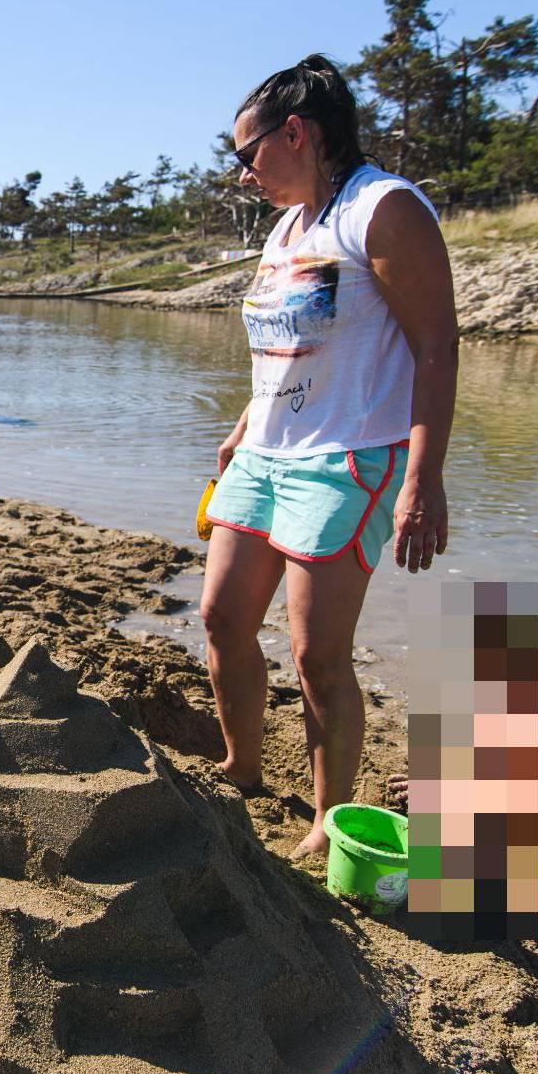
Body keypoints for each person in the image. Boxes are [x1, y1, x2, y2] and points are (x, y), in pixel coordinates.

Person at [199, 54, 457, 858]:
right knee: (222, 620)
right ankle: (242, 768)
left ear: (298, 132)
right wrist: (248, 420)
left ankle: (326, 820)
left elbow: (437, 347)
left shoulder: (383, 209)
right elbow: (295, 344)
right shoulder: (289, 226)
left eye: (249, 154)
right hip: (265, 454)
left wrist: (423, 480)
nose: (244, 175)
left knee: (316, 654)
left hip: (348, 461)